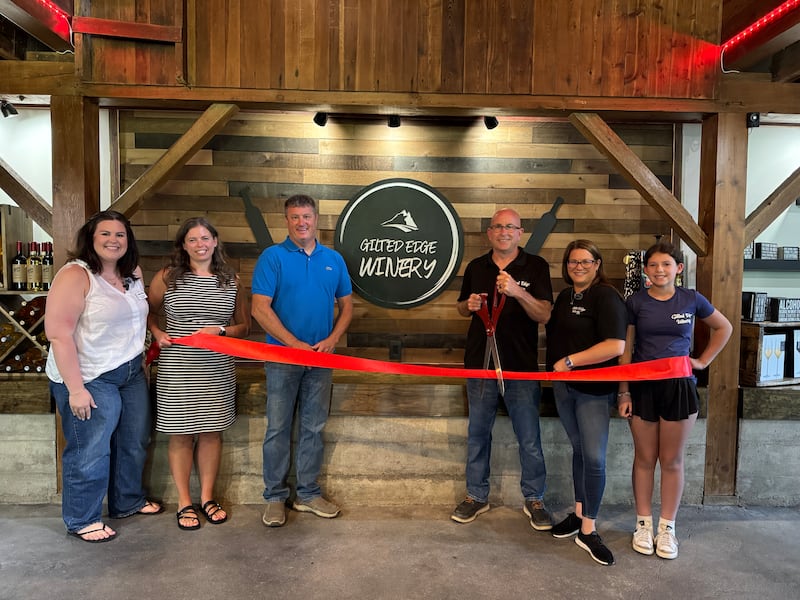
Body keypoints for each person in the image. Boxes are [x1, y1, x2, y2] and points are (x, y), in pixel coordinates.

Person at [45, 210, 163, 543]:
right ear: (91, 239)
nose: (114, 240)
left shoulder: (133, 273)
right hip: (89, 375)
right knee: (91, 449)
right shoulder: (76, 275)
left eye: (120, 235)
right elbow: (58, 334)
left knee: (134, 440)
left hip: (129, 371)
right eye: (105, 234)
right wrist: (76, 390)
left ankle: (127, 501)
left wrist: (140, 357)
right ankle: (82, 518)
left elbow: (136, 319)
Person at [618, 241, 732, 560]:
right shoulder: (635, 302)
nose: (659, 270)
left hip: (679, 387)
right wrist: (623, 390)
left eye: (666, 264)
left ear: (678, 269)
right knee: (644, 458)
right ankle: (643, 524)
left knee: (672, 460)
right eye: (653, 265)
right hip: (642, 388)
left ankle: (667, 529)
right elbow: (626, 351)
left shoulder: (692, 298)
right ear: (645, 270)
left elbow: (724, 327)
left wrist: (703, 361)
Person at [251, 194, 353, 527]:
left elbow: (347, 307)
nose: (301, 223)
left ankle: (307, 494)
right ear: (287, 221)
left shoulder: (333, 259)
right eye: (294, 217)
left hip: (322, 360)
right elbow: (259, 309)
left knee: (314, 427)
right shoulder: (273, 257)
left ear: (316, 218)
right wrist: (294, 344)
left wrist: (332, 339)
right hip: (281, 358)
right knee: (278, 428)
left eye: (306, 216)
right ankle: (276, 497)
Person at [452, 207, 553, 529]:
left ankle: (535, 497)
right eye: (498, 227)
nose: (504, 232)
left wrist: (518, 291)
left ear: (520, 232)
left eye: (510, 227)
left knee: (529, 438)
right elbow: (460, 308)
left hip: (520, 367)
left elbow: (544, 315)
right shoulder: (476, 266)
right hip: (479, 365)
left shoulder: (535, 267)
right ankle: (476, 496)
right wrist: (466, 307)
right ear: (490, 233)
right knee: (478, 435)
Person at [147, 217, 250, 530]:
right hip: (177, 367)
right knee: (180, 435)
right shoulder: (167, 277)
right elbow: (147, 312)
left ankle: (207, 497)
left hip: (217, 368)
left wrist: (219, 330)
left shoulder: (231, 279)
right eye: (192, 239)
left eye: (205, 238)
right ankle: (184, 501)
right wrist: (157, 332)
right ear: (183, 245)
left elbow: (244, 327)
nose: (200, 244)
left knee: (211, 433)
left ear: (215, 241)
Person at [545, 240, 627, 566]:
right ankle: (579, 514)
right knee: (578, 451)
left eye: (585, 261)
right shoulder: (566, 296)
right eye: (572, 262)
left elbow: (615, 345)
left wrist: (570, 361)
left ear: (597, 263)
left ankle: (589, 530)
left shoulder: (606, 296)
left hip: (593, 390)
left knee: (594, 458)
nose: (578, 266)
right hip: (564, 388)